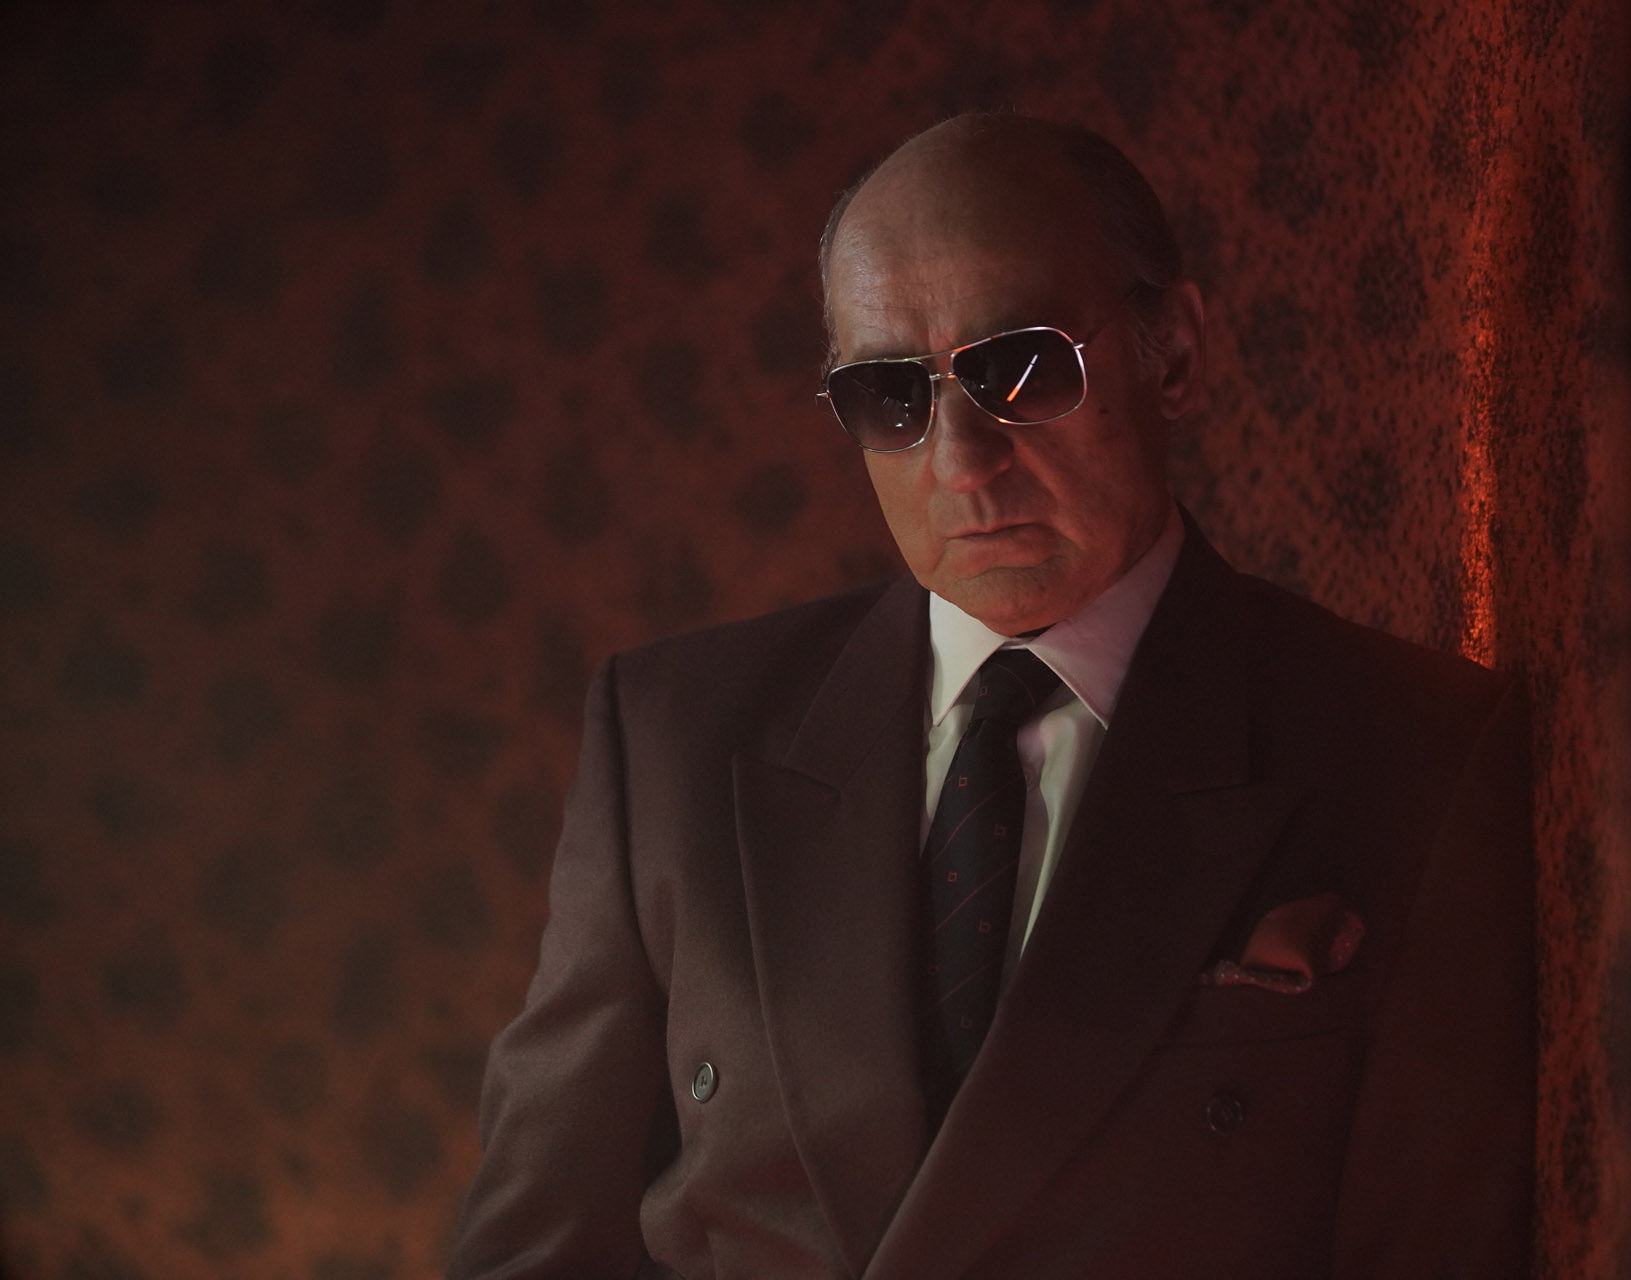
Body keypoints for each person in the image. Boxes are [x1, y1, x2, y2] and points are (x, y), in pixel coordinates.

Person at [446, 112, 1534, 1280]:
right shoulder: (674, 735)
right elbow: (533, 1250)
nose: (963, 463)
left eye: (1020, 370)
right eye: (889, 395)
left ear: (1172, 353)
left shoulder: (1412, 752)